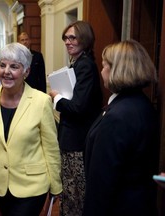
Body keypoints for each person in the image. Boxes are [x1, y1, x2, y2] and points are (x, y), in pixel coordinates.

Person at [0, 42, 62, 215]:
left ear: (26, 72)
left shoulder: (41, 101)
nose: (6, 71)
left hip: (33, 186)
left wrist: (56, 185)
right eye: (2, 65)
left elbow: (51, 148)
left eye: (14, 67)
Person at [83, 40, 159, 216]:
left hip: (117, 207)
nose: (101, 71)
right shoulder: (142, 104)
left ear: (116, 70)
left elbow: (102, 183)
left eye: (104, 66)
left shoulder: (118, 116)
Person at [49, 21, 103, 216]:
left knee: (75, 191)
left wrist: (57, 98)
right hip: (72, 136)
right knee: (71, 190)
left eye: (73, 37)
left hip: (78, 140)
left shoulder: (85, 66)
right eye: (66, 38)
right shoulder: (78, 62)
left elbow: (78, 107)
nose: (67, 42)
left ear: (85, 39)